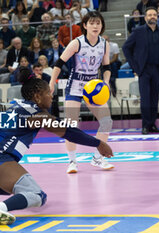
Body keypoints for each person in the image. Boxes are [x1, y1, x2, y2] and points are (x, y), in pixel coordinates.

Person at [0, 66, 113, 225]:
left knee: (19, 188)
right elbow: (68, 132)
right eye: (48, 94)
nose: (51, 97)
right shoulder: (36, 115)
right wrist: (98, 143)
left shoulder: (20, 106)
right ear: (37, 96)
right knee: (36, 195)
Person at [49, 11, 114, 173]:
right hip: (75, 86)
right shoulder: (77, 43)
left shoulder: (104, 44)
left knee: (107, 122)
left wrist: (106, 82)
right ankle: (72, 161)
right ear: (85, 26)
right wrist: (51, 82)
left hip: (93, 88)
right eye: (92, 23)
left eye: (98, 23)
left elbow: (106, 67)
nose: (95, 26)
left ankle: (98, 159)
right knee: (71, 125)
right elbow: (58, 63)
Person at [123, 7, 159, 135]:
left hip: (156, 69)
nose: (152, 17)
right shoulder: (138, 31)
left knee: (154, 99)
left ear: (157, 16)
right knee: (146, 99)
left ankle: (152, 125)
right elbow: (126, 48)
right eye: (150, 15)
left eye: (154, 14)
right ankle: (145, 126)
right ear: (145, 17)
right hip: (143, 70)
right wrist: (135, 67)